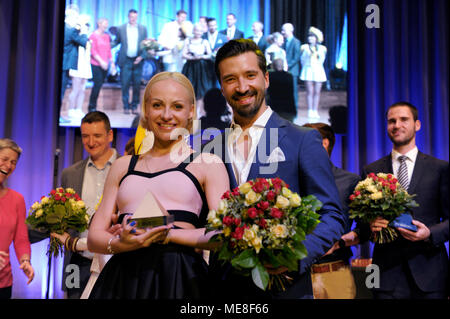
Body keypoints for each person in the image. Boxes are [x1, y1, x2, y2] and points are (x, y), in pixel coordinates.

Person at [208, 39, 345, 299]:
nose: (242, 87)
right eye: (230, 79)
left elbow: (331, 215)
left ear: (266, 78)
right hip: (222, 290)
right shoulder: (211, 147)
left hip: (285, 288)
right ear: (222, 88)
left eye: (250, 75)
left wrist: (293, 258)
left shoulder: (302, 139)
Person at [87, 72, 229, 299]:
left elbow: (224, 234)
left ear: (191, 111)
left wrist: (168, 235)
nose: (166, 115)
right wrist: (120, 244)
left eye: (177, 106)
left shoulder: (207, 164)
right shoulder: (123, 166)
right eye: (157, 105)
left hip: (180, 278)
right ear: (146, 108)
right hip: (122, 279)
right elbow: (94, 237)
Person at [361, 101, 448, 299]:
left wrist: (429, 234)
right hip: (384, 275)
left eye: (404, 120)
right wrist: (371, 225)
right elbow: (362, 225)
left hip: (431, 273)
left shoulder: (440, 168)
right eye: (392, 121)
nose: (397, 125)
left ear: (417, 125)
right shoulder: (371, 170)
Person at [57, 111, 118, 299]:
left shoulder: (128, 168)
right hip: (78, 262)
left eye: (97, 135)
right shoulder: (70, 173)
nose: (91, 142)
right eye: (85, 136)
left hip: (115, 262)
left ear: (110, 135)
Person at [302, 123, 359, 299]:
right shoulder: (292, 180)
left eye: (303, 141)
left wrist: (338, 244)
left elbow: (364, 231)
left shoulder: (350, 181)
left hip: (335, 272)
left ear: (324, 143)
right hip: (296, 276)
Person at [0, 138, 34, 299]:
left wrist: (25, 260)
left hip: (3, 283)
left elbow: (21, 239)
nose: (8, 166)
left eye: (13, 162)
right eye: (4, 159)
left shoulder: (17, 199)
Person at [112, 9, 148, 115]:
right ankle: (126, 106)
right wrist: (105, 46)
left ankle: (134, 106)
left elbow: (145, 45)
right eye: (131, 17)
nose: (133, 19)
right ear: (128, 17)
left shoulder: (142, 28)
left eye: (135, 17)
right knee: (125, 84)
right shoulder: (121, 28)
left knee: (137, 84)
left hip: (138, 60)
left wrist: (142, 56)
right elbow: (116, 41)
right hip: (125, 60)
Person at [60, 5, 89, 123]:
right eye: (76, 18)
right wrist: (84, 31)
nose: (77, 20)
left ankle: (59, 115)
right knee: (61, 91)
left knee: (61, 91)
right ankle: (59, 116)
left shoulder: (67, 28)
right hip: (65, 64)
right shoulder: (70, 29)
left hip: (64, 64)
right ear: (71, 17)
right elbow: (83, 42)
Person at [87, 18, 116, 113]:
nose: (106, 26)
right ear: (99, 24)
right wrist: (101, 62)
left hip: (105, 65)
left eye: (107, 24)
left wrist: (112, 63)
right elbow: (92, 51)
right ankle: (91, 106)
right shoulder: (93, 36)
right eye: (105, 24)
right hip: (96, 64)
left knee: (99, 85)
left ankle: (93, 105)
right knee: (97, 84)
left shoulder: (106, 36)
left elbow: (108, 50)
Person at [67, 13, 92, 119]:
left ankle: (78, 109)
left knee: (82, 89)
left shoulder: (86, 38)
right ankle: (71, 109)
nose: (86, 27)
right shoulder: (77, 36)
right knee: (75, 88)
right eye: (85, 25)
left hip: (85, 64)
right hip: (77, 64)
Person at [181, 23, 216, 101]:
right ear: (193, 31)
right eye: (197, 30)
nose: (198, 32)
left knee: (203, 89)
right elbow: (183, 55)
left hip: (202, 68)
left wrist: (201, 56)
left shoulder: (205, 41)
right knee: (189, 88)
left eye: (200, 31)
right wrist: (192, 57)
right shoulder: (188, 40)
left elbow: (210, 55)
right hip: (190, 67)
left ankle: (202, 109)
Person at [300, 27, 327, 119]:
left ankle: (315, 110)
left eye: (312, 37)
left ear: (317, 38)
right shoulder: (304, 47)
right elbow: (302, 60)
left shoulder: (322, 48)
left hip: (318, 70)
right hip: (308, 70)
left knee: (317, 92)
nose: (310, 38)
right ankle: (310, 110)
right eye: (309, 37)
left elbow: (323, 60)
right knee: (309, 91)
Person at [281, 23, 301, 109]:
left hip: (292, 70)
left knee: (293, 91)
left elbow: (296, 57)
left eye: (284, 30)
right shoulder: (283, 42)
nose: (282, 32)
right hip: (283, 70)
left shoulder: (296, 42)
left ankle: (294, 108)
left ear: (290, 30)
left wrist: (287, 66)